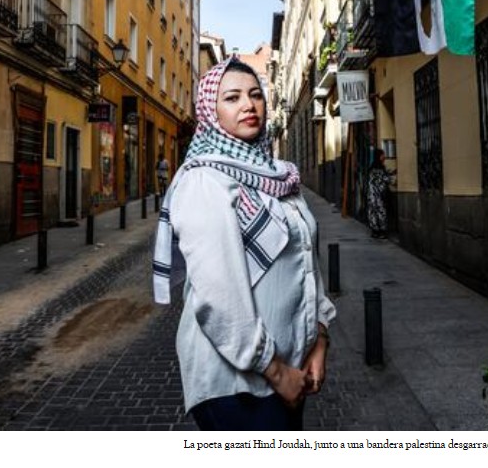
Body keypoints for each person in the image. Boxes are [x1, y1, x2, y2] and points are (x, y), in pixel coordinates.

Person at [152, 56, 336, 431]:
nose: (248, 105)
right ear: (211, 111)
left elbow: (306, 264)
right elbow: (218, 297)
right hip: (237, 385)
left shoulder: (280, 177)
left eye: (255, 95)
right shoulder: (205, 181)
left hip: (292, 367)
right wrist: (275, 371)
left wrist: (319, 339)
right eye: (232, 98)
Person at [367, 149, 393, 239]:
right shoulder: (380, 169)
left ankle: (375, 231)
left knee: (372, 213)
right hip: (379, 195)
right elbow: (387, 180)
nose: (384, 157)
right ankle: (382, 231)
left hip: (371, 195)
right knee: (381, 212)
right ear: (379, 157)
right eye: (382, 155)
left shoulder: (371, 169)